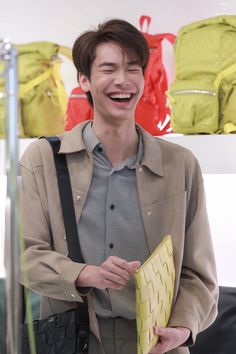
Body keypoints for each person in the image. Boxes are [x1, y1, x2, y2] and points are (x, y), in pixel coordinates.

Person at [20, 19, 218, 354]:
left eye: (133, 68)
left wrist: (183, 328)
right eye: (108, 68)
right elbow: (25, 258)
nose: (123, 81)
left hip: (157, 346)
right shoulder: (43, 160)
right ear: (84, 79)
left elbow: (200, 276)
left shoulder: (180, 164)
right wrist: (86, 274)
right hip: (74, 341)